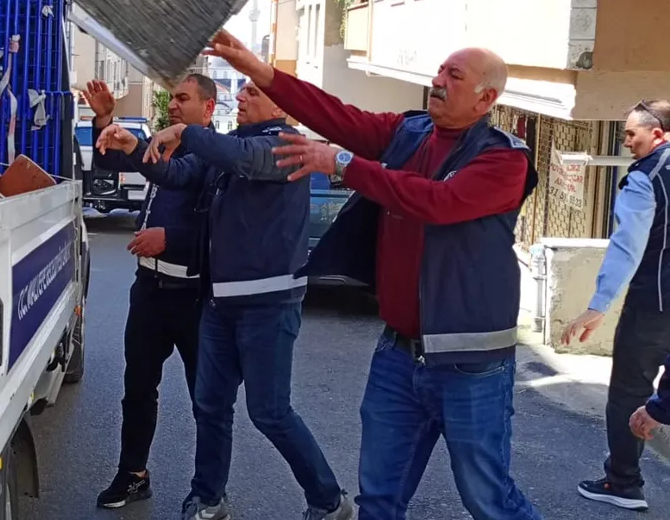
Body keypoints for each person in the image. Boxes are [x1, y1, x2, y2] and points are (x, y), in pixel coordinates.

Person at [204, 30, 542, 520]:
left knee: (488, 499)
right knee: (379, 499)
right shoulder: (412, 131)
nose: (438, 81)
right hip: (400, 354)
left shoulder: (504, 158)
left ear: (486, 98)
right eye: (440, 71)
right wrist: (263, 73)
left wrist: (343, 163)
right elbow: (340, 117)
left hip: (470, 362)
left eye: (454, 75)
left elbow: (435, 201)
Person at [96, 82, 354, 520]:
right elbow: (176, 174)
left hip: (268, 305)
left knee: (270, 412)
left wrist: (185, 133)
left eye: (253, 91)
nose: (243, 96)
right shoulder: (229, 144)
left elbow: (246, 161)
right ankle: (208, 499)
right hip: (218, 304)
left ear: (281, 105)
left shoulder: (287, 145)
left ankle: (329, 501)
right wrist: (135, 145)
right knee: (211, 406)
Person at [84, 76, 215, 509]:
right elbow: (107, 167)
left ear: (208, 109)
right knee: (138, 387)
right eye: (172, 98)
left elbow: (217, 227)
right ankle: (133, 474)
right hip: (148, 290)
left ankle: (209, 490)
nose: (173, 106)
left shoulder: (213, 156)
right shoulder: (161, 145)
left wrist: (170, 238)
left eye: (184, 99)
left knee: (206, 399)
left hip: (193, 296)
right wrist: (105, 119)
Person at [560, 100, 670, 512]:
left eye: (631, 134)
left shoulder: (647, 178)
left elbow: (627, 246)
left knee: (629, 390)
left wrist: (598, 305)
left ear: (657, 134)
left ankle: (622, 482)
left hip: (655, 304)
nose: (626, 142)